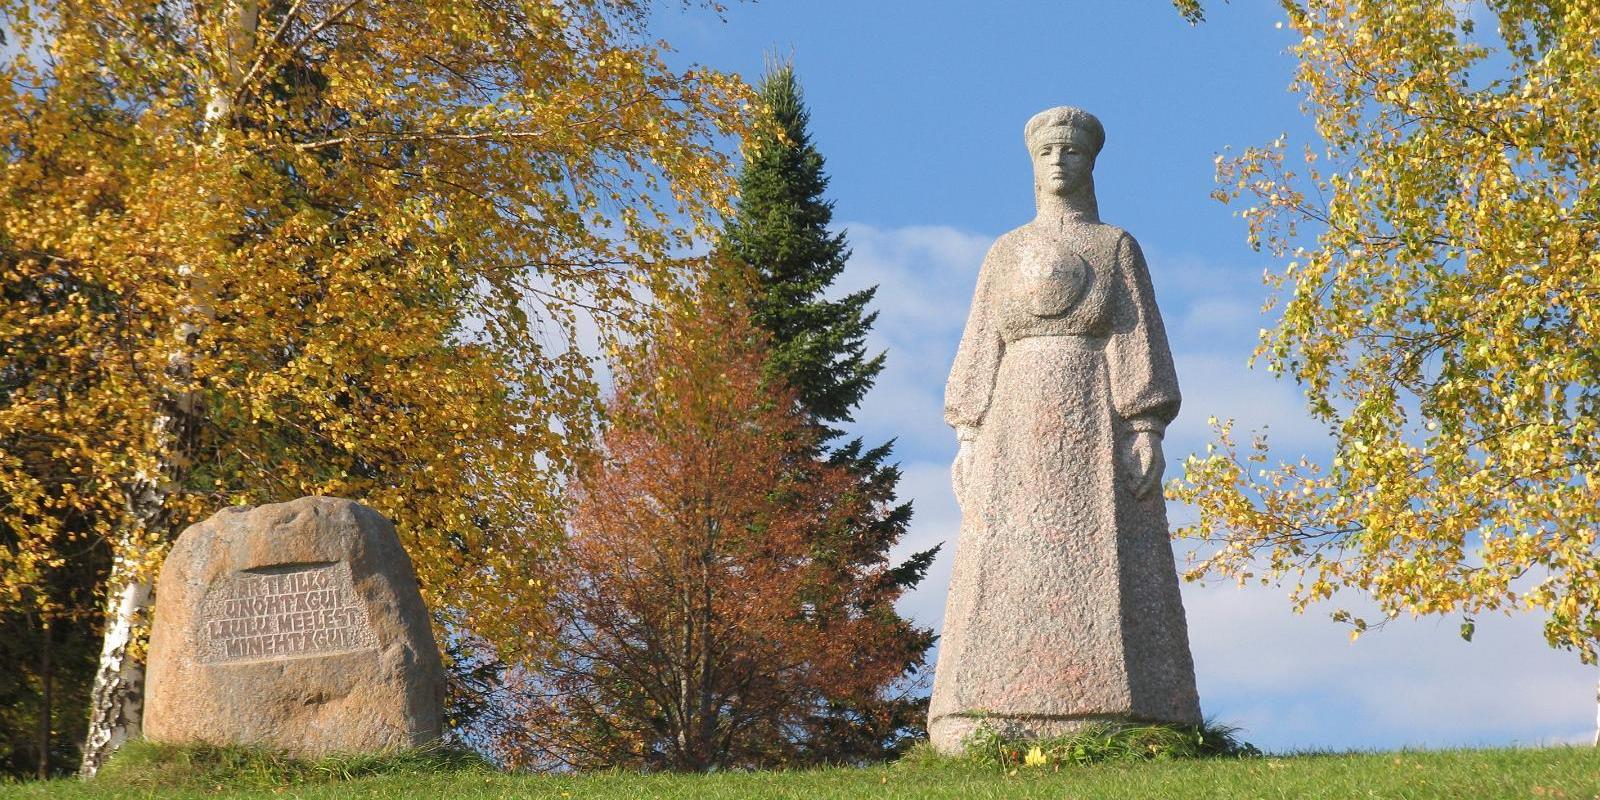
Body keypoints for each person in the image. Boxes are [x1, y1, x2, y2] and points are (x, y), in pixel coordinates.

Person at [927, 106, 1201, 754]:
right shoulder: (1004, 253)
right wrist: (967, 435)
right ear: (1033, 161)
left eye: (1071, 151)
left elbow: (1139, 343)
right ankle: (980, 712)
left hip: (1092, 414)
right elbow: (979, 346)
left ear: (1089, 163)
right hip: (1011, 425)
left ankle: (1125, 711)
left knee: (1101, 556)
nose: (1059, 160)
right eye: (1048, 150)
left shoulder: (1115, 248)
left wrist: (1145, 426)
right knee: (1005, 559)